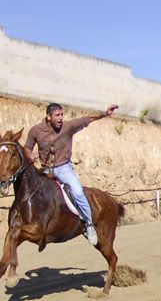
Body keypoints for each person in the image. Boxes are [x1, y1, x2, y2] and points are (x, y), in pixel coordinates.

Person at [25, 102, 118, 245]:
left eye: (62, 114)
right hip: (45, 170)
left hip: (64, 169)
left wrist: (105, 113)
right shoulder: (36, 131)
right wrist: (30, 156)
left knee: (78, 192)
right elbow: (27, 148)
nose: (61, 118)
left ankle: (89, 225)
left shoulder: (68, 127)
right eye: (57, 115)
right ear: (48, 117)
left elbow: (88, 119)